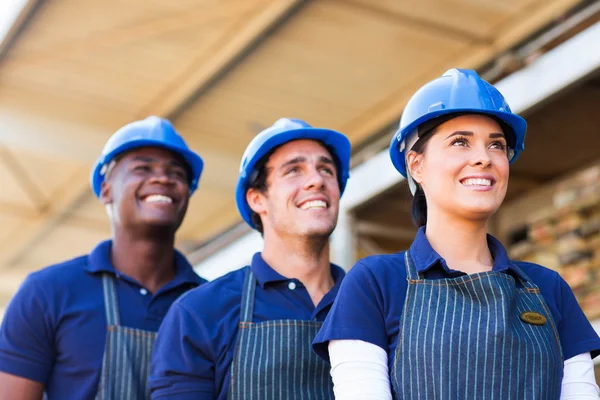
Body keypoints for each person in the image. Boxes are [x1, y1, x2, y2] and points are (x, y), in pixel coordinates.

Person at [313, 69, 600, 399]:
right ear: (416, 165)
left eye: (497, 145)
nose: (483, 158)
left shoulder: (549, 289)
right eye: (460, 142)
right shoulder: (375, 283)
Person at [0, 116, 207, 400]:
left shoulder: (211, 303)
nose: (163, 178)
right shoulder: (48, 292)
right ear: (106, 190)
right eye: (142, 168)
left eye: (177, 173)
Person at [149, 118, 351, 399]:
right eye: (293, 170)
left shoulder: (372, 302)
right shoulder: (201, 313)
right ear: (257, 199)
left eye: (326, 170)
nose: (317, 180)